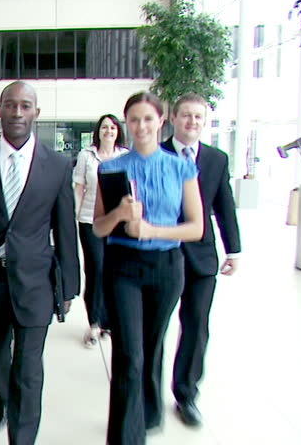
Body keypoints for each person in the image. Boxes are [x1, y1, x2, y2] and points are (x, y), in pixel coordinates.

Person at [0, 81, 80, 445]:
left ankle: (21, 437)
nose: (18, 113)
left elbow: (65, 228)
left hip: (37, 280)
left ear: (36, 113)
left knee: (29, 368)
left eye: (25, 106)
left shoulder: (57, 165)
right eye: (11, 105)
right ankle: (2, 396)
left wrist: (69, 285)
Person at [93, 92, 203, 445]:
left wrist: (153, 230)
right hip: (124, 265)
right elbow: (98, 227)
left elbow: (195, 227)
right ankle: (127, 437)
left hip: (166, 266)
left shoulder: (181, 167)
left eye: (148, 119)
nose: (141, 126)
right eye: (134, 119)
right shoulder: (111, 169)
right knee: (129, 354)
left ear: (162, 121)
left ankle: (150, 413)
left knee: (153, 346)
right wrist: (120, 215)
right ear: (127, 123)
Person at [162, 93, 241, 427]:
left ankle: (186, 393)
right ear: (173, 119)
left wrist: (233, 250)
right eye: (186, 116)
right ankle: (147, 395)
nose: (192, 122)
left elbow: (224, 206)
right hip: (160, 255)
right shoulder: (156, 153)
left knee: (196, 325)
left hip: (201, 258)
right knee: (153, 328)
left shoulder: (216, 160)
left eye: (198, 117)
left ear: (204, 122)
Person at [73, 114, 128, 348]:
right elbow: (79, 188)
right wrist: (73, 216)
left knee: (114, 271)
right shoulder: (87, 155)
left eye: (113, 127)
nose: (109, 131)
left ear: (118, 131)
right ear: (98, 131)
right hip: (89, 221)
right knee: (95, 270)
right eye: (104, 127)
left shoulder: (125, 156)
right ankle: (94, 323)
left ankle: (109, 321)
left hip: (117, 223)